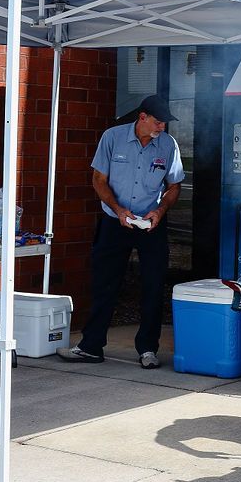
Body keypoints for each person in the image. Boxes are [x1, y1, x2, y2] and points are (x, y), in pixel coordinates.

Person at [58, 93, 184, 369]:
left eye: (164, 123)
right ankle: (91, 346)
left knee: (152, 286)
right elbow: (98, 179)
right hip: (114, 222)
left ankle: (148, 349)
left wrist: (160, 212)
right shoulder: (112, 138)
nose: (162, 127)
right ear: (143, 117)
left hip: (151, 225)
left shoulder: (168, 145)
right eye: (159, 122)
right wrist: (118, 210)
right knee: (104, 284)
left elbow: (175, 185)